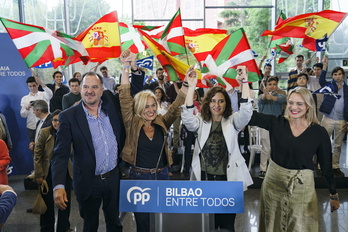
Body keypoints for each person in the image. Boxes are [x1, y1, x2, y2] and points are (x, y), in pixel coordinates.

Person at [248, 87, 339, 231]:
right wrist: (245, 85)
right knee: (272, 224)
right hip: (273, 185)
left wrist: (333, 194)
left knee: (301, 226)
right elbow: (248, 116)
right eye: (291, 103)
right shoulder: (276, 123)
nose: (294, 107)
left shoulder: (319, 132)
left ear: (308, 106)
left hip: (302, 188)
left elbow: (326, 166)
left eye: (299, 104)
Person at [119, 50, 189, 232]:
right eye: (146, 106)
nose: (150, 110)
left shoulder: (160, 123)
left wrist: (188, 84)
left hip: (162, 176)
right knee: (143, 224)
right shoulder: (131, 123)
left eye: (153, 106)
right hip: (139, 178)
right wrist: (126, 67)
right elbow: (125, 98)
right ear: (139, 107)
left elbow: (174, 109)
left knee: (162, 223)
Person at [51, 71, 126, 231]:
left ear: (102, 90)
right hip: (88, 181)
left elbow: (127, 94)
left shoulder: (110, 105)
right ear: (80, 88)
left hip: (113, 177)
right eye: (85, 86)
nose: (89, 91)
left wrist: (126, 67)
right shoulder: (69, 116)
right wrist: (58, 186)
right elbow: (60, 154)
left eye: (94, 87)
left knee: (115, 222)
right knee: (90, 225)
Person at [181, 66, 253, 232]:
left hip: (228, 181)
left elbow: (246, 112)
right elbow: (187, 118)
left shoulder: (233, 121)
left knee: (227, 225)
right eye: (213, 100)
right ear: (207, 103)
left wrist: (244, 83)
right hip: (206, 179)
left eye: (221, 101)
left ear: (226, 103)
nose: (216, 104)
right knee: (208, 224)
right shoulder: (200, 121)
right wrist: (191, 87)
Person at [34, 110, 73, 232]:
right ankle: (46, 228)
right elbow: (37, 154)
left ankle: (64, 227)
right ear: (51, 121)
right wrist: (39, 174)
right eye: (55, 120)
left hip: (65, 173)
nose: (57, 123)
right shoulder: (45, 132)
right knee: (47, 203)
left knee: (65, 202)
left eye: (60, 120)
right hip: (47, 173)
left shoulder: (69, 132)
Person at [319, 56, 348, 177]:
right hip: (328, 118)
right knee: (323, 143)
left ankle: (335, 166)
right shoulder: (329, 86)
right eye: (335, 74)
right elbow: (321, 81)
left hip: (342, 120)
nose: (337, 76)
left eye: (339, 74)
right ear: (333, 76)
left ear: (343, 75)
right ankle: (322, 165)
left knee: (338, 145)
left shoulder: (347, 89)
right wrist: (324, 66)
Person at [257, 77, 286, 179]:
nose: (272, 86)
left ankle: (274, 168)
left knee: (275, 147)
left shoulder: (281, 96)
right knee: (265, 147)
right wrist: (266, 95)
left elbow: (281, 100)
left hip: (277, 124)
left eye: (274, 84)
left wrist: (270, 96)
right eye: (270, 84)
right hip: (264, 124)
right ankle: (263, 169)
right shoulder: (261, 96)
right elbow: (261, 99)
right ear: (266, 85)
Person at [20, 75, 52, 143]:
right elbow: (23, 115)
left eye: (34, 85)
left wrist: (42, 84)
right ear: (28, 86)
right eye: (30, 86)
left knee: (47, 146)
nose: (32, 88)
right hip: (32, 127)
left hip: (45, 125)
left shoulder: (43, 95)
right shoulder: (25, 99)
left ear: (37, 85)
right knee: (33, 147)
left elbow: (50, 94)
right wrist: (28, 107)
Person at [181, 89, 201, 174]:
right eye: (192, 94)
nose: (194, 96)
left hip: (198, 129)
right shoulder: (186, 105)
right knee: (188, 148)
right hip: (188, 129)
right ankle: (187, 166)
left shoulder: (201, 105)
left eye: (195, 95)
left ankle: (198, 167)